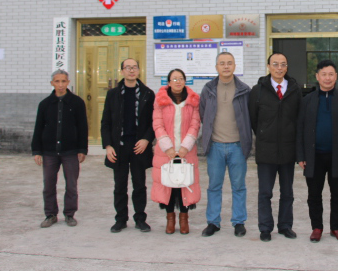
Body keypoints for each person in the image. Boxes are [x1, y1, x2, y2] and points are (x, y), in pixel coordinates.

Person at [296, 59, 338, 243]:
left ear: (336, 76)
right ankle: (317, 227)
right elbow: (300, 129)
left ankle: (336, 227)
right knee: (314, 195)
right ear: (317, 76)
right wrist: (301, 155)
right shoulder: (307, 100)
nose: (327, 78)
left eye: (331, 74)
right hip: (314, 156)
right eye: (324, 74)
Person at [199, 52, 252, 238]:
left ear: (235, 66)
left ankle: (239, 222)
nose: (226, 66)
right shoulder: (208, 89)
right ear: (216, 67)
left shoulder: (244, 90)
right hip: (215, 146)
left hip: (238, 146)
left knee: (239, 186)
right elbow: (203, 113)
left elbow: (249, 115)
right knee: (214, 186)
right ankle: (213, 222)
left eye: (229, 63)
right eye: (222, 63)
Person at [249, 52, 301, 242]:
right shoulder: (258, 90)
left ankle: (285, 226)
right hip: (266, 151)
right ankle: (265, 228)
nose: (279, 68)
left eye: (283, 64)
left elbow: (299, 118)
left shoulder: (294, 89)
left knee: (287, 193)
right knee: (265, 193)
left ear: (287, 67)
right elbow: (254, 119)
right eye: (275, 64)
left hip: (288, 150)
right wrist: (265, 134)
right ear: (269, 66)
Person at [101, 58, 156, 233]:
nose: (131, 70)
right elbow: (105, 122)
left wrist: (146, 139)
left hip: (139, 147)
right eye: (128, 67)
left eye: (134, 67)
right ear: (122, 71)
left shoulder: (148, 94)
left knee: (139, 185)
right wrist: (108, 145)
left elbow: (154, 122)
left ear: (139, 70)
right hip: (119, 147)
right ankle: (120, 219)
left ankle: (140, 219)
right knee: (120, 186)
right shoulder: (113, 94)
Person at [31, 69, 88, 228]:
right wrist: (37, 151)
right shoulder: (45, 104)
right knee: (49, 185)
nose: (61, 85)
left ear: (68, 82)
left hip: (70, 151)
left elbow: (82, 127)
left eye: (63, 81)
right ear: (52, 83)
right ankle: (50, 214)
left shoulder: (77, 103)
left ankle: (69, 214)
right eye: (57, 81)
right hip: (49, 151)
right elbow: (38, 128)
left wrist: (82, 149)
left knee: (71, 185)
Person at [151, 68, 201, 235]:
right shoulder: (160, 100)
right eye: (174, 79)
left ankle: (184, 219)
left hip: (187, 151)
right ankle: (170, 219)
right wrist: (168, 148)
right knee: (169, 186)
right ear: (169, 82)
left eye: (181, 78)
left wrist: (186, 146)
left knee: (185, 185)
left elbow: (195, 124)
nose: (178, 82)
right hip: (166, 152)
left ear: (185, 81)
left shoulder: (193, 100)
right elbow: (157, 124)